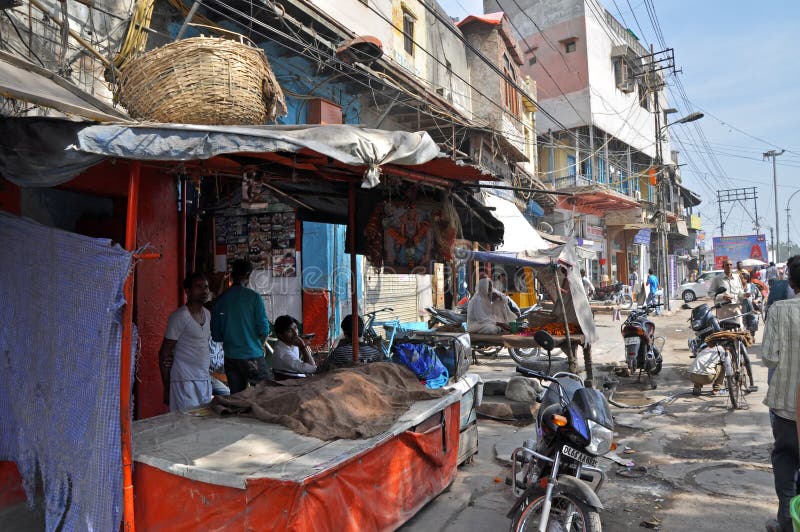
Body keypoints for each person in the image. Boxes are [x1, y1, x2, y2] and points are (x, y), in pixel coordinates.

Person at [762, 260, 800, 532]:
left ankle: (787, 520)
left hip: (787, 405)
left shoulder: (779, 311)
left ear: (791, 282)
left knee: (786, 458)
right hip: (787, 405)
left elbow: (769, 357)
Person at [211, 259, 271, 394]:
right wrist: (257, 345)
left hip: (231, 358)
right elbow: (264, 330)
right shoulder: (254, 298)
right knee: (266, 394)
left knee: (238, 398)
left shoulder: (220, 301)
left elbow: (216, 336)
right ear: (248, 275)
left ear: (232, 274)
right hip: (252, 356)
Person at [159, 273, 213, 412]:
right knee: (186, 425)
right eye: (199, 287)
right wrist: (167, 388)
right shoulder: (180, 316)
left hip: (204, 379)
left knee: (202, 424)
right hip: (184, 381)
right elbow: (164, 353)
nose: (204, 291)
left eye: (206, 287)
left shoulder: (207, 314)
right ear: (187, 291)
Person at [710, 259, 757, 391]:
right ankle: (720, 380)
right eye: (727, 265)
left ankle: (749, 377)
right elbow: (711, 294)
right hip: (723, 311)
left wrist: (745, 295)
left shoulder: (737, 277)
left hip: (736, 309)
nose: (729, 267)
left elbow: (740, 294)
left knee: (740, 339)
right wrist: (722, 297)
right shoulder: (718, 279)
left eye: (731, 265)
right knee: (724, 343)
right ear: (722, 266)